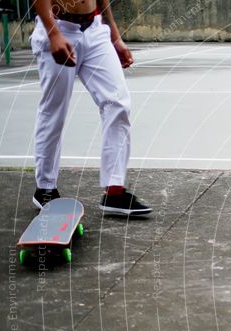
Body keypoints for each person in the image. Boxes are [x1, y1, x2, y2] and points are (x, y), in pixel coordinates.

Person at [30, 0, 151, 215]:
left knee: (118, 103)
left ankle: (114, 191)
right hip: (59, 27)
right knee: (54, 111)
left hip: (95, 30)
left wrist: (115, 37)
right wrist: (53, 32)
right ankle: (45, 188)